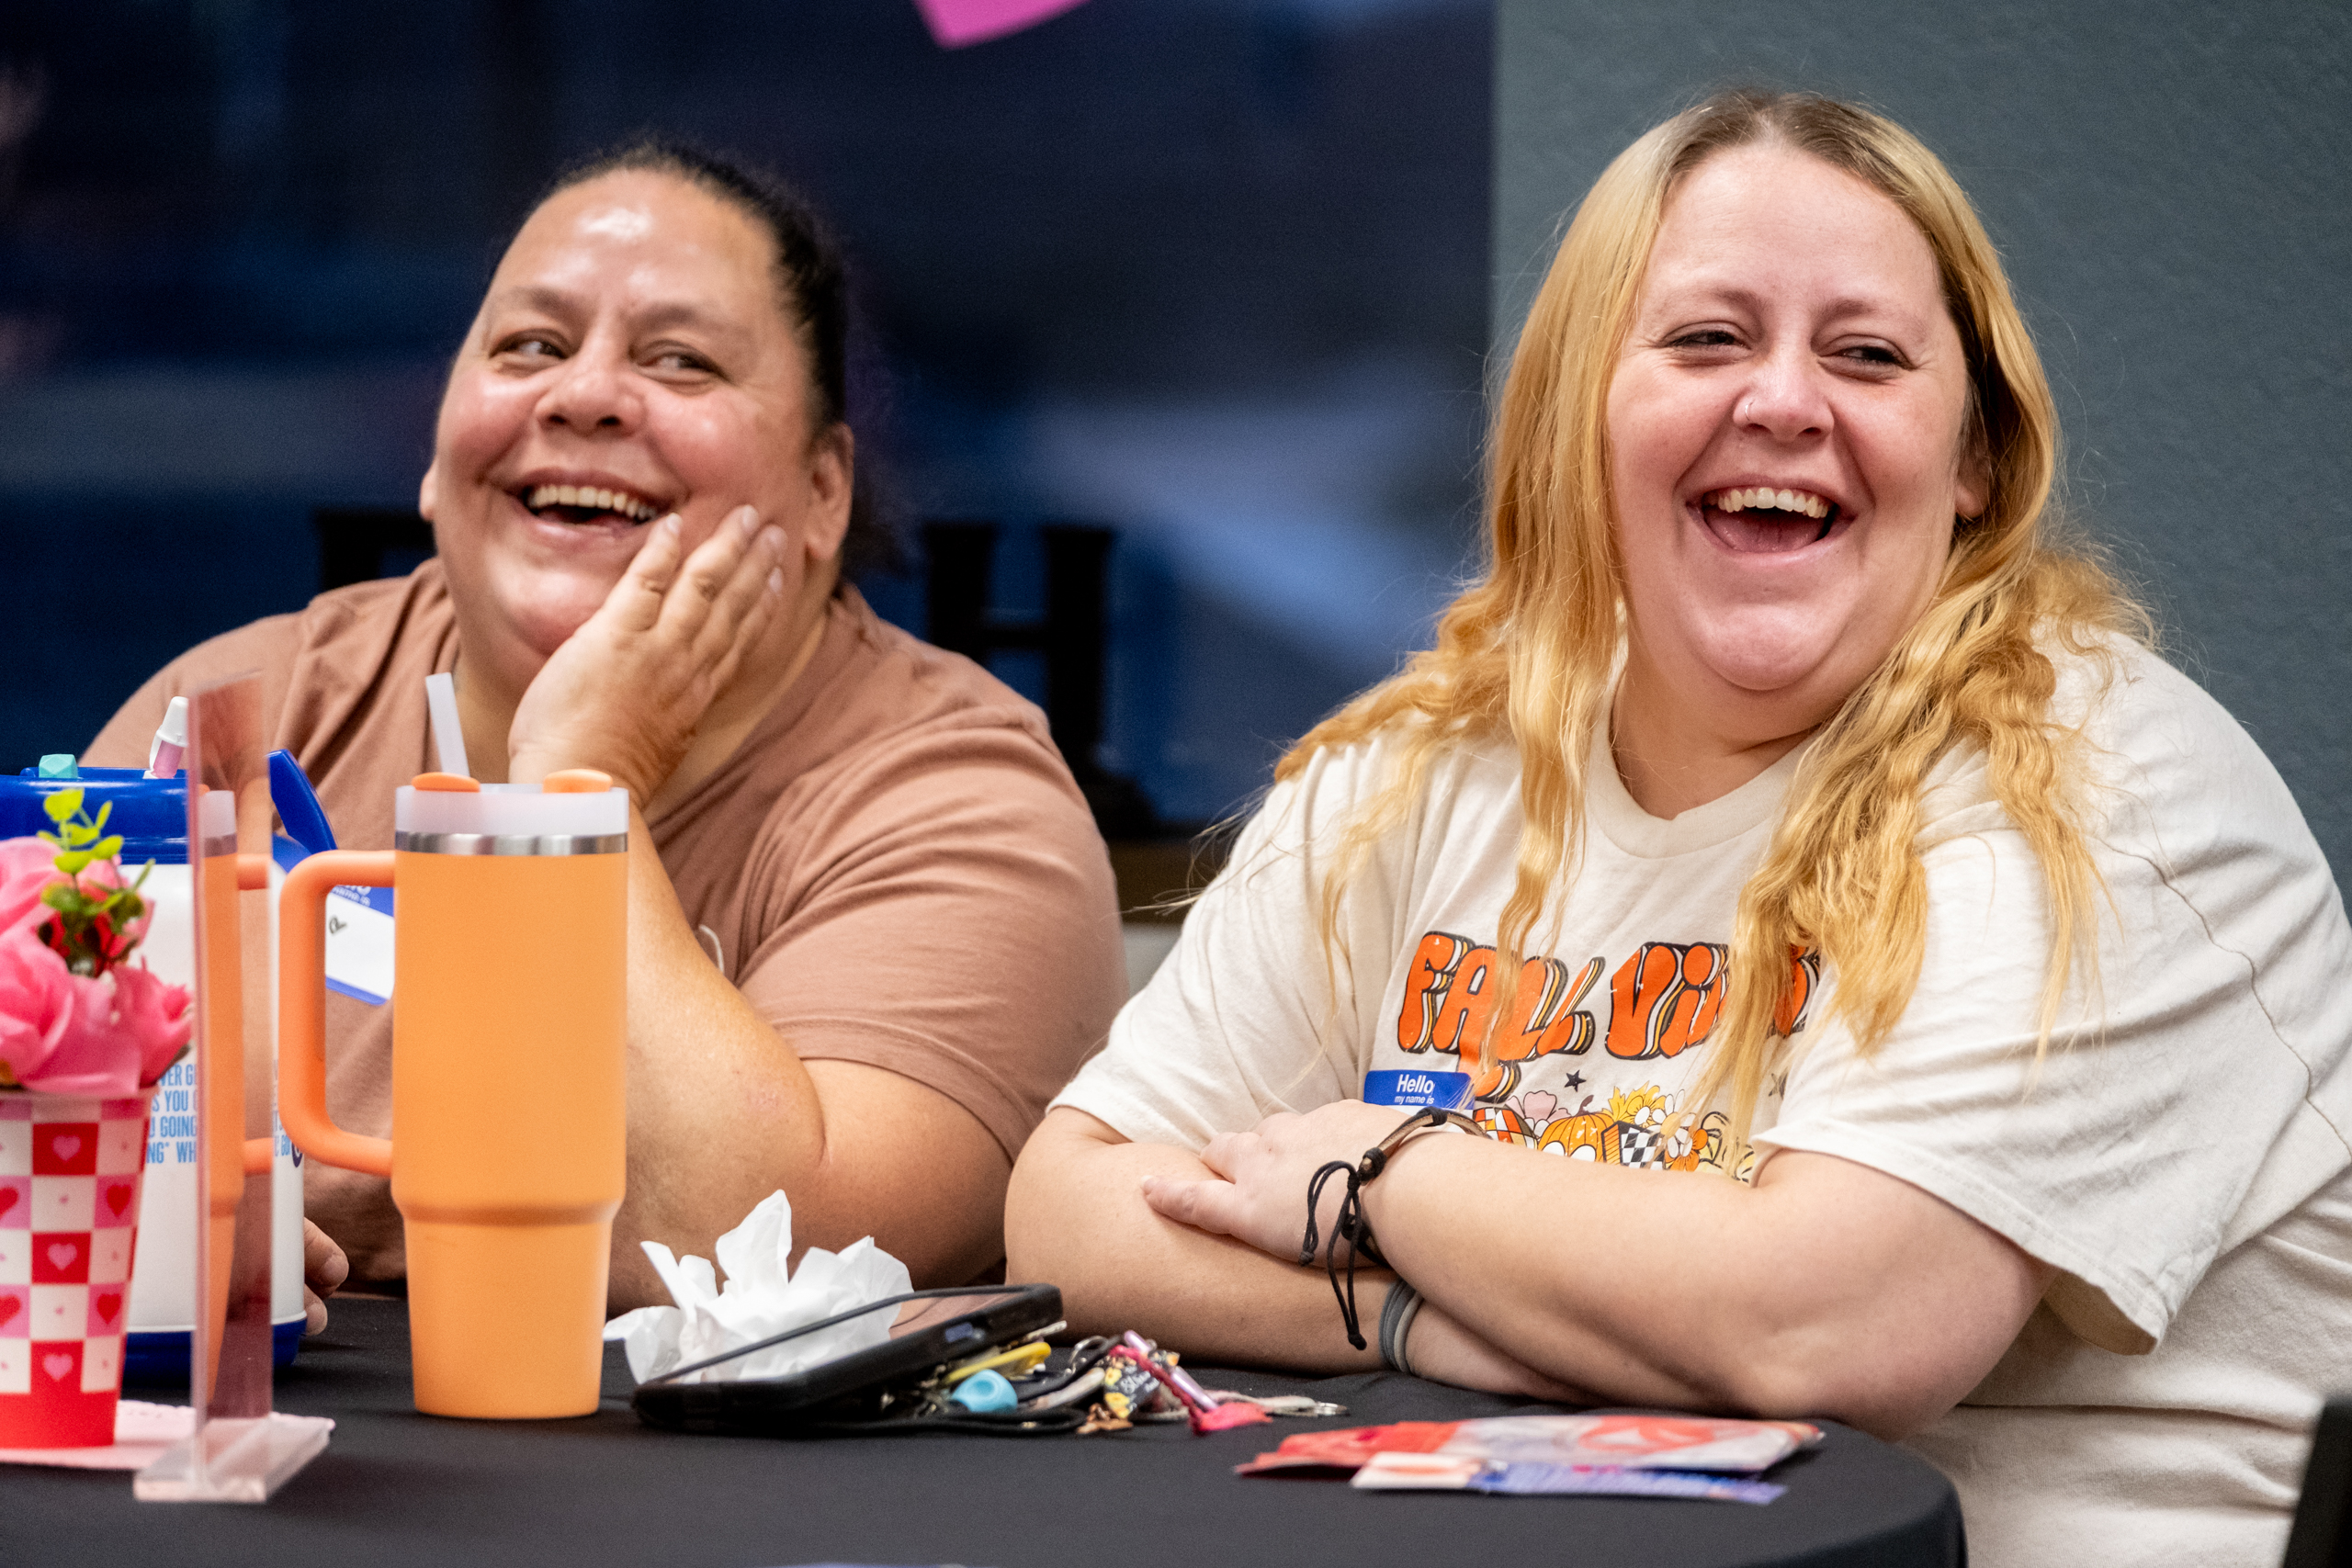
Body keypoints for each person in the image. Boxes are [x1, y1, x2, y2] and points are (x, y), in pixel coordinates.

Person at [1005, 90, 2352, 1567]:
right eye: (1709, 338)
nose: (1784, 400)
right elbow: (1073, 1219)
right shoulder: (1418, 769)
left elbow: (1828, 1324)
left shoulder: (2094, 787)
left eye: (1868, 354)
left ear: (1976, 458)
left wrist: (1380, 1168)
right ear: (1578, 416)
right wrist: (1417, 1312)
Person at [90, 141, 1126, 1319]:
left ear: (825, 491)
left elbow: (760, 1270)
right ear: (435, 455)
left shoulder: (960, 801)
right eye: (529, 346)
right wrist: (178, 1238)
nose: (580, 395)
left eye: (679, 362)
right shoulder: (248, 709)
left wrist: (581, 783)